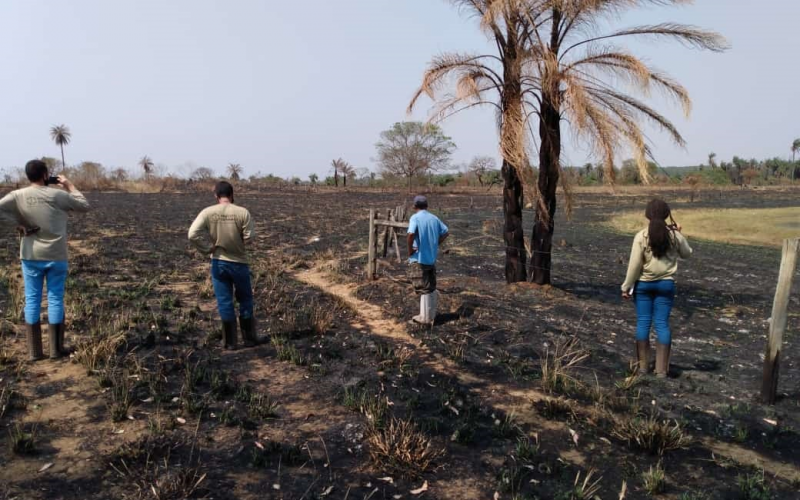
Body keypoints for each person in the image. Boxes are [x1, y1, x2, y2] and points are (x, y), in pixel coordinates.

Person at [0, 159, 90, 361]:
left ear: (28, 175)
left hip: (30, 256)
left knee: (32, 299)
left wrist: (17, 225)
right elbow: (84, 205)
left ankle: (34, 352)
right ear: (45, 175)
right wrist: (68, 185)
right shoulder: (58, 195)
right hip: (56, 256)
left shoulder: (18, 195)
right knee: (55, 298)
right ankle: (56, 350)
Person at [621, 199, 692, 378]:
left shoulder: (641, 236)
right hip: (666, 285)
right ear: (667, 214)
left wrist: (626, 286)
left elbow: (634, 265)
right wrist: (679, 233)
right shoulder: (674, 235)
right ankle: (661, 370)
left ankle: (643, 367)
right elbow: (687, 253)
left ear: (648, 215)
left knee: (643, 322)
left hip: (643, 285)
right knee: (662, 324)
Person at [188, 181, 256, 349]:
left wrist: (206, 249)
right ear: (232, 195)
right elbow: (249, 238)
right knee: (245, 299)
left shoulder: (207, 212)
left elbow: (192, 234)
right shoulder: (243, 212)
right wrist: (238, 242)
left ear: (216, 196)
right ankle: (249, 339)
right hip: (239, 263)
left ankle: (230, 342)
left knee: (224, 301)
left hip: (218, 263)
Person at [407, 195, 449, 325]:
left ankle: (424, 318)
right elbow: (446, 232)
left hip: (420, 258)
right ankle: (430, 316)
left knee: (423, 287)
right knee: (431, 286)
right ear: (427, 206)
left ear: (414, 206)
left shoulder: (415, 217)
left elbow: (410, 234)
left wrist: (410, 250)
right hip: (431, 258)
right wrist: (436, 243)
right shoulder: (434, 218)